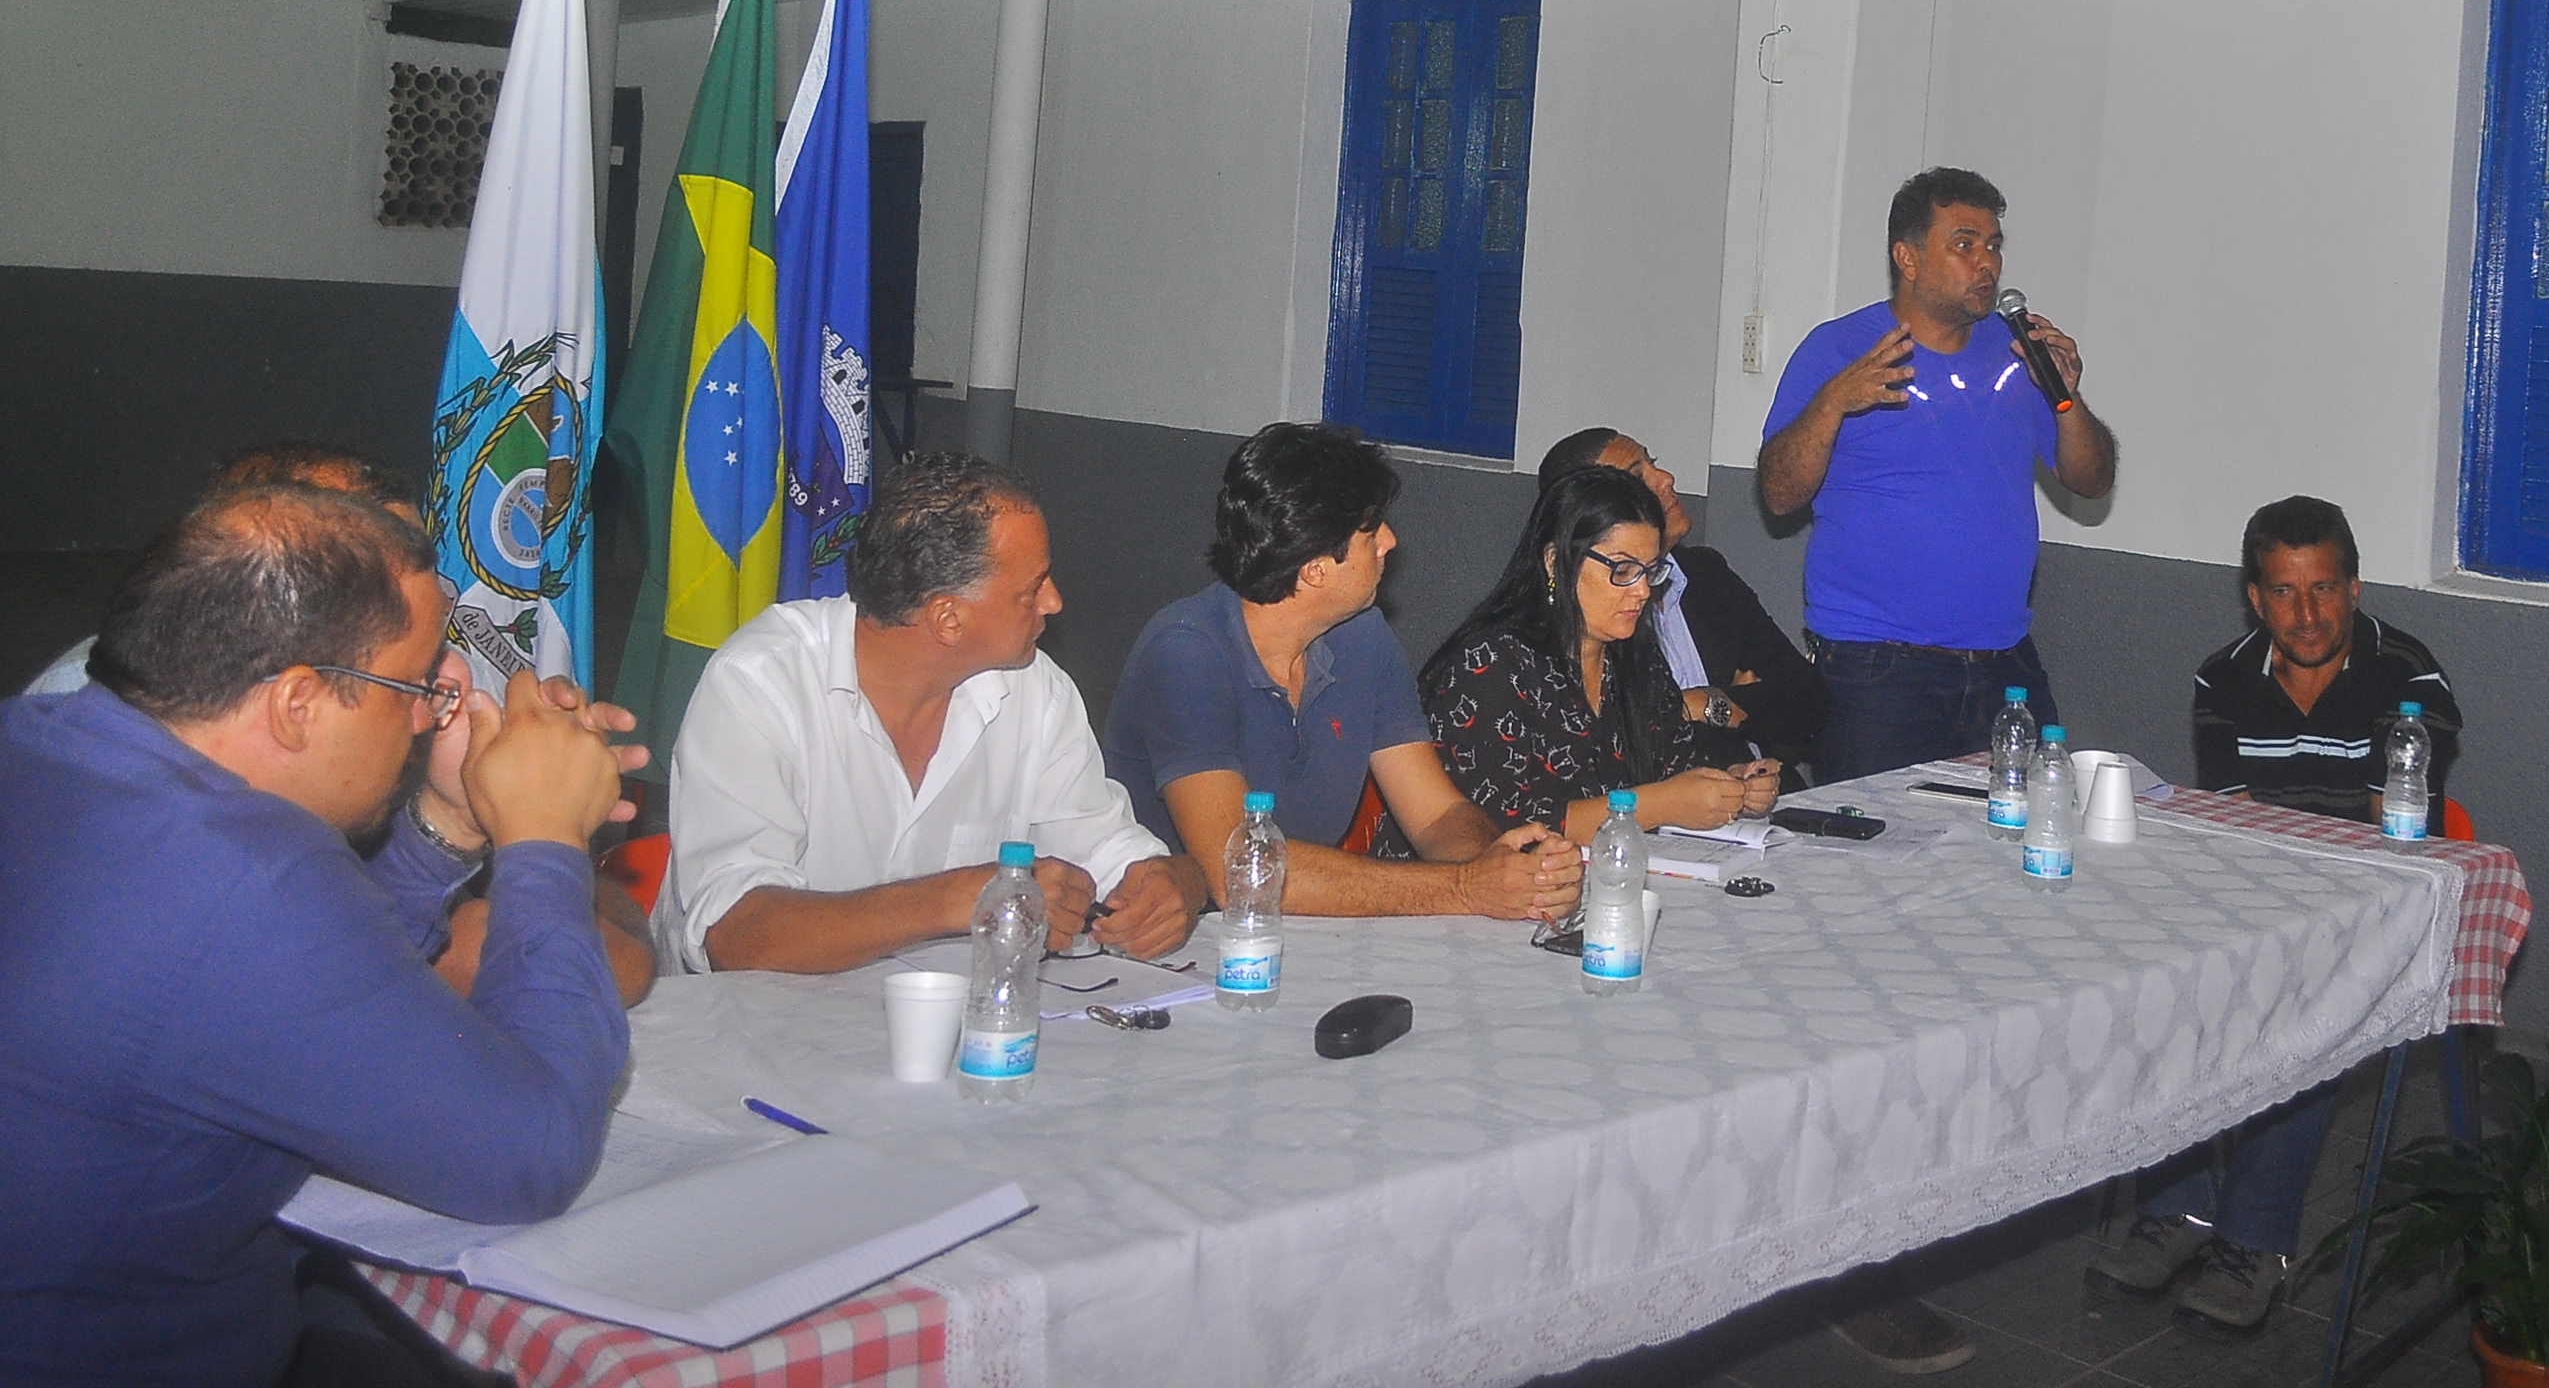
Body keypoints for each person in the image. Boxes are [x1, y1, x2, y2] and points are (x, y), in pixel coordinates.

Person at [0, 485, 642, 1387]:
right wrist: (545, 837)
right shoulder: (243, 878)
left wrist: (450, 818)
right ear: (298, 702)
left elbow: (308, 989)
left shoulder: (39, 743)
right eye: (413, 685)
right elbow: (530, 1155)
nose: (428, 715)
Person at [2093, 495, 2462, 1331]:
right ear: (2255, 599)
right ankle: (2181, 1207)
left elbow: (2389, 838)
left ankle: (2255, 1241)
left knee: (2301, 1004)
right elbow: (2237, 831)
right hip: (2259, 893)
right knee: (2164, 983)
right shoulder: (2223, 678)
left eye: (2325, 589)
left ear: (2355, 588)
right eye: (2286, 593)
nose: (2308, 615)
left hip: (2375, 909)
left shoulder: (2409, 680)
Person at [656, 451, 1200, 974]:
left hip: (956, 1018)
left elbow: (1109, 852)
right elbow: (735, 934)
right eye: (1031, 589)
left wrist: (1173, 886)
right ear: (948, 620)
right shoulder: (761, 684)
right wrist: (956, 898)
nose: (1053, 602)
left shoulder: (1035, 690)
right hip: (754, 1024)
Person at [1102, 423, 1581, 921]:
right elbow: (1240, 872)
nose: (1390, 541)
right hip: (1175, 937)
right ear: (1314, 569)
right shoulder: (1186, 652)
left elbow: (1437, 816)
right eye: (1371, 532)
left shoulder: (1361, 636)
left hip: (1301, 931)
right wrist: (1464, 889)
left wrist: (1507, 869)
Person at [1758, 167, 2118, 791]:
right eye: (1964, 244)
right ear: (1908, 257)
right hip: (1877, 670)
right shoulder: (1840, 350)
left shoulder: (2017, 351)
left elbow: (2091, 480)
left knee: (2028, 830)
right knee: (1881, 845)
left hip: (2005, 663)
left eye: (1993, 245)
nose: (1987, 263)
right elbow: (1779, 495)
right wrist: (1833, 403)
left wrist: (2067, 398)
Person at [1420, 467, 1782, 843]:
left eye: (1651, 571)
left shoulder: (1635, 659)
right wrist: (1663, 804)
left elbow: (1673, 767)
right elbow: (1504, 825)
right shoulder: (1489, 665)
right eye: (1623, 570)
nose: (1642, 590)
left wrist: (1729, 787)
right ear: (1555, 561)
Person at [19, 439, 425, 699]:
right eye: (380, 578)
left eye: (421, 563)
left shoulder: (443, 686)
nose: (422, 599)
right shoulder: (90, 697)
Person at [1536, 426, 1827, 778]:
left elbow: (1807, 699)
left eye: (1654, 463)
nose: (1666, 479)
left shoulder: (1706, 573)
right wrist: (1728, 711)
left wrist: (1707, 701)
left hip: (1768, 793)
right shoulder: (1589, 619)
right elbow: (1628, 742)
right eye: (1638, 478)